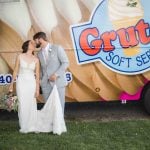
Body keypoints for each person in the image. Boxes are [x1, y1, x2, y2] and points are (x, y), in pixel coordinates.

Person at [9, 40, 67, 135]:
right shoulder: (20, 56)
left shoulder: (36, 59)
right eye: (31, 43)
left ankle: (31, 124)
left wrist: (37, 89)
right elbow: (15, 71)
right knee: (22, 104)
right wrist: (11, 84)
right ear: (27, 45)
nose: (34, 44)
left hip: (31, 83)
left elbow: (37, 75)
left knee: (31, 103)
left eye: (34, 43)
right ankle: (24, 125)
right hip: (21, 82)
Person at [33, 32, 69, 115]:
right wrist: (42, 81)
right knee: (48, 106)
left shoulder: (57, 48)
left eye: (36, 41)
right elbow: (41, 69)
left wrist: (56, 75)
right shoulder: (38, 54)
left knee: (59, 105)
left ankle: (59, 125)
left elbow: (65, 63)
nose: (35, 43)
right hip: (45, 84)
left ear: (41, 39)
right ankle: (50, 123)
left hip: (58, 82)